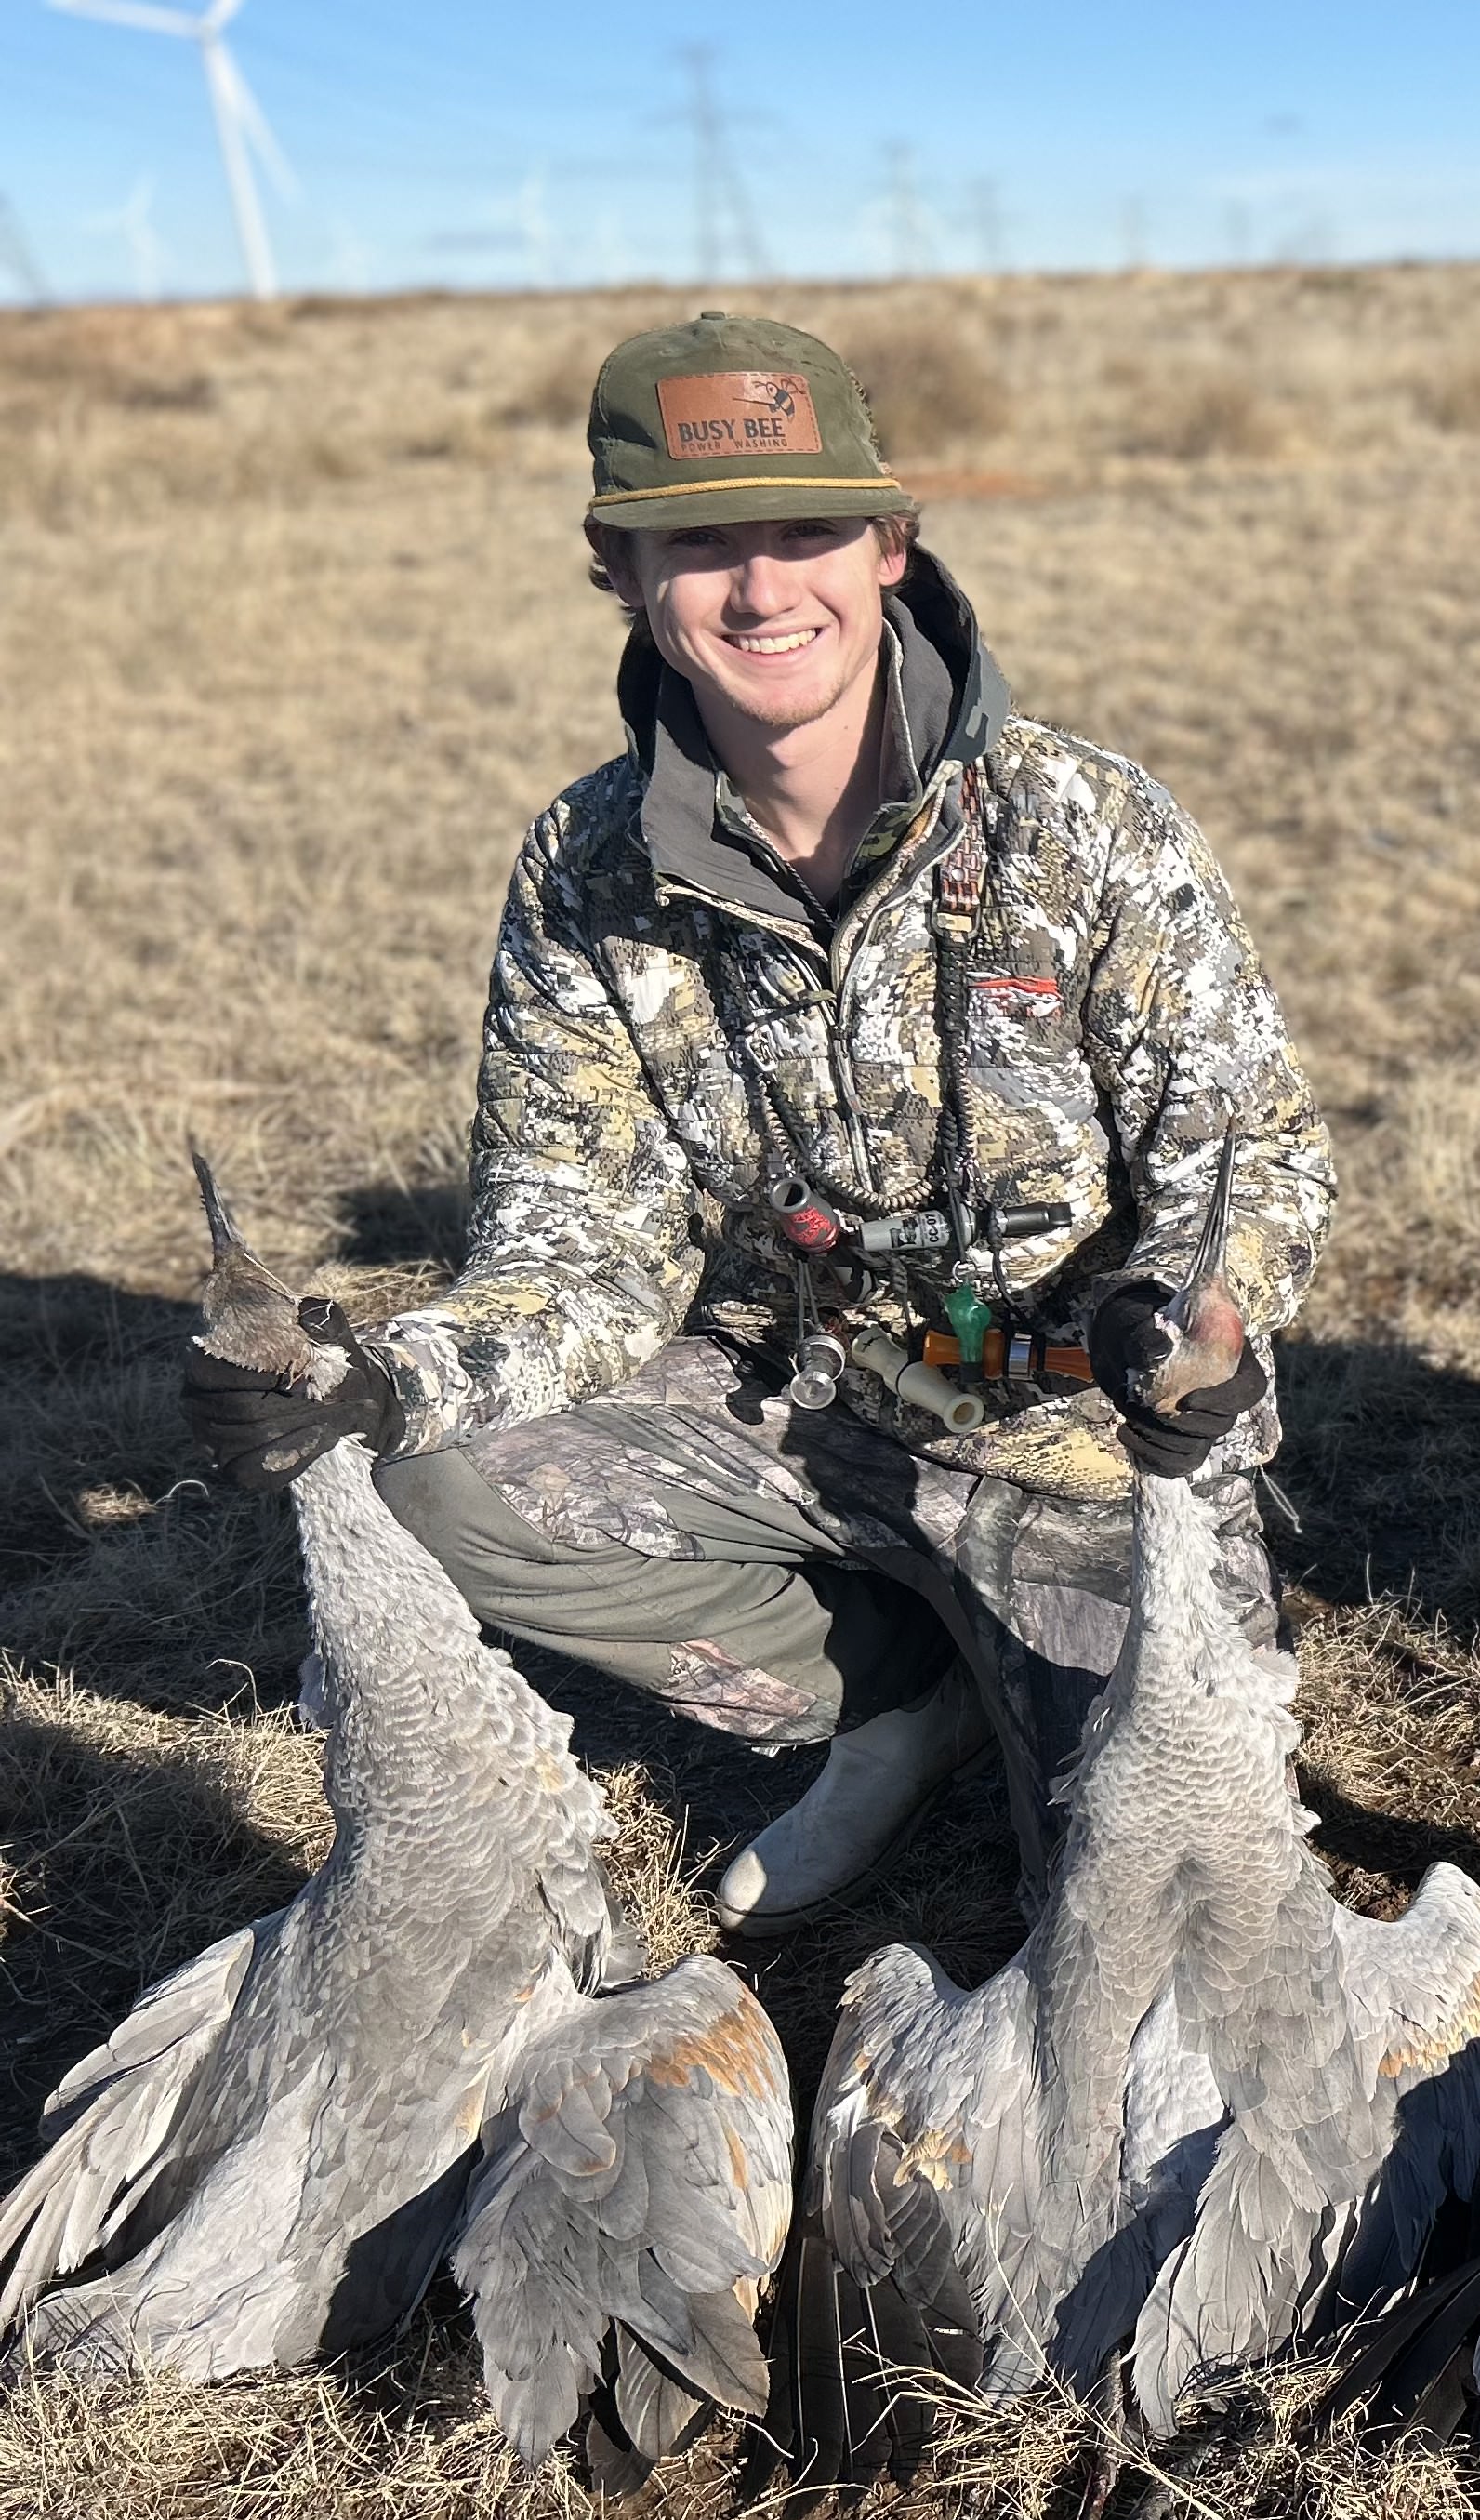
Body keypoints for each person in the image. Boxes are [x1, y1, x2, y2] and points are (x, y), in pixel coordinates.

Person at [183, 311, 1330, 1931]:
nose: (764, 587)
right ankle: (890, 1697)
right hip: (799, 1399)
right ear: (622, 573)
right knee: (427, 1484)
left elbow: (1254, 1162)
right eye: (701, 544)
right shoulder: (583, 868)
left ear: (890, 550)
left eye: (809, 532)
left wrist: (1192, 1325)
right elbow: (569, 1248)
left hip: (1079, 1438)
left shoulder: (1089, 828)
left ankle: (1010, 1672)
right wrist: (381, 1381)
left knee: (1159, 1897)